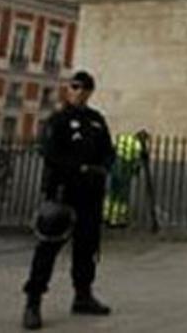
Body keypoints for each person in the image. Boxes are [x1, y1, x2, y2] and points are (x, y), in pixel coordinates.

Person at [21, 70, 116, 329]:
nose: (79, 92)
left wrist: (104, 167)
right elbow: (50, 153)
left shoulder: (96, 120)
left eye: (85, 88)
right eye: (75, 87)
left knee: (86, 248)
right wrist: (80, 169)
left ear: (90, 92)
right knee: (48, 247)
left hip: (90, 195)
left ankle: (83, 296)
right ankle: (33, 300)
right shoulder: (58, 120)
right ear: (68, 89)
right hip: (63, 193)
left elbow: (108, 150)